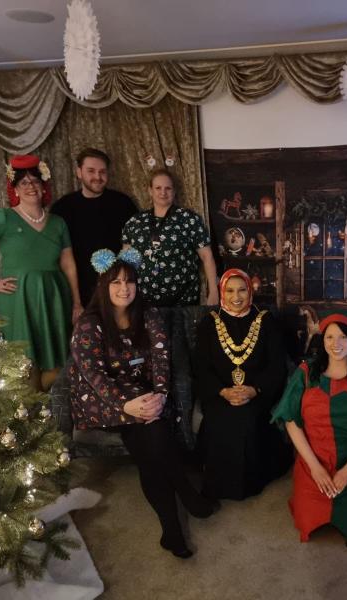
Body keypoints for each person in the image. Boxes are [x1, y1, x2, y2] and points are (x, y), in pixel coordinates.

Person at [67, 248, 217, 559]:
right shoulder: (89, 324)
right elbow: (92, 375)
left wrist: (160, 395)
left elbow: (162, 361)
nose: (124, 289)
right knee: (152, 434)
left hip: (146, 394)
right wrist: (126, 405)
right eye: (116, 283)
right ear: (104, 286)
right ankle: (186, 492)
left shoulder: (149, 316)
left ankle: (171, 531)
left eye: (130, 282)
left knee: (153, 441)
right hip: (102, 400)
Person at [0, 154, 82, 391]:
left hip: (53, 298)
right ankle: (26, 419)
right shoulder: (3, 218)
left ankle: (50, 418)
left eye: (35, 182)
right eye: (24, 183)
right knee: (22, 368)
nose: (31, 187)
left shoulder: (58, 223)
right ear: (15, 189)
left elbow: (68, 264)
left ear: (43, 185)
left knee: (57, 369)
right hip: (17, 300)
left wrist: (77, 303)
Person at [272, 314, 347, 545]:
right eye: (329, 337)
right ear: (322, 340)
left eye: (343, 337)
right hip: (312, 464)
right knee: (307, 517)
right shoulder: (306, 372)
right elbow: (291, 421)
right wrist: (315, 468)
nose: (335, 343)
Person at [193, 269, 292, 500]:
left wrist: (254, 389)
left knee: (246, 418)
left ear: (250, 291)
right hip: (219, 393)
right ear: (221, 293)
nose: (236, 296)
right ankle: (217, 486)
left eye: (242, 290)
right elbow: (200, 367)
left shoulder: (266, 321)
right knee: (220, 418)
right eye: (229, 290)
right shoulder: (209, 323)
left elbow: (277, 365)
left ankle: (246, 486)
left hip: (257, 392)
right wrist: (223, 391)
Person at [51, 148, 138, 306]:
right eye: (91, 171)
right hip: (78, 294)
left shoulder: (123, 203)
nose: (98, 177)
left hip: (118, 292)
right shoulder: (62, 208)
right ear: (79, 172)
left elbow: (134, 248)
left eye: (102, 172)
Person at [122, 169, 218, 307]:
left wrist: (214, 291)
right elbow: (126, 262)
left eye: (168, 188)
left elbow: (207, 257)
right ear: (150, 190)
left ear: (174, 191)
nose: (163, 192)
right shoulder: (135, 222)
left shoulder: (188, 219)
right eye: (158, 188)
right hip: (143, 303)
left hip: (184, 301)